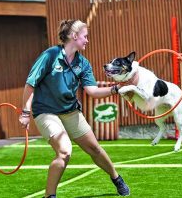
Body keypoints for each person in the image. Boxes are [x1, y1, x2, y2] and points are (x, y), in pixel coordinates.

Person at [19, 19, 130, 198]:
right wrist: (25, 112)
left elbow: (92, 91)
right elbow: (30, 84)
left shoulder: (83, 63)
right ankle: (50, 195)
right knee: (64, 151)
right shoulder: (50, 55)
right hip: (46, 112)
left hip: (70, 110)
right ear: (74, 36)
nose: (87, 40)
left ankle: (116, 178)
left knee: (94, 149)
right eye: (85, 36)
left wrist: (115, 89)